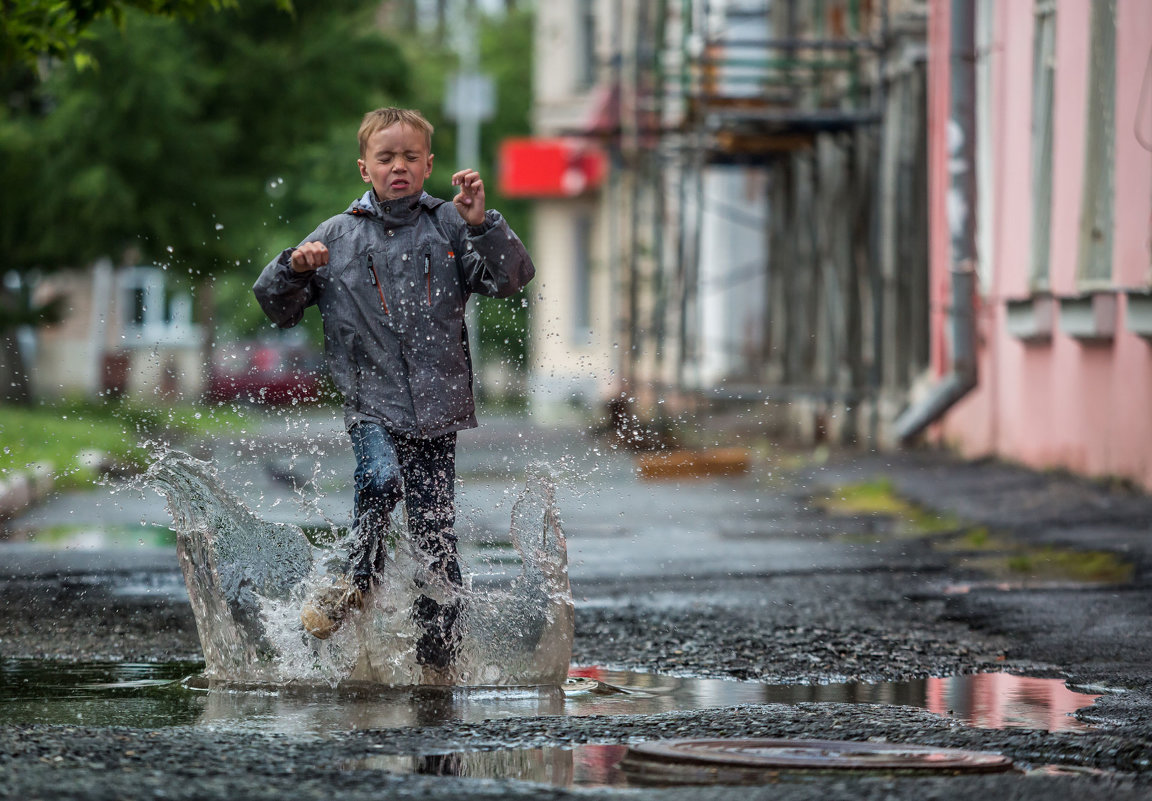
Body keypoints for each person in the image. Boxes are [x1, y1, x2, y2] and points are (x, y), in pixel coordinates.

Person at [253, 107, 535, 676]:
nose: (399, 167)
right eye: (386, 158)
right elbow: (276, 306)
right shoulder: (335, 235)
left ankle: (437, 668)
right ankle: (354, 581)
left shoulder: (452, 226)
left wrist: (485, 224)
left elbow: (511, 279)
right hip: (371, 407)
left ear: (429, 164)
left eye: (411, 157)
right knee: (380, 480)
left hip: (438, 415)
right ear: (365, 168)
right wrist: (292, 266)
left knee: (438, 553)